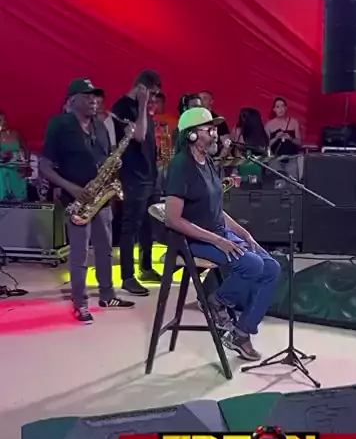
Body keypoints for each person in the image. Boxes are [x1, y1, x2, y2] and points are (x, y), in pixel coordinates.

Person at [163, 106, 281, 361]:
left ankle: (241, 332)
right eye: (209, 129)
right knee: (252, 265)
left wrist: (243, 233)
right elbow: (173, 219)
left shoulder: (209, 163)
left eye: (215, 129)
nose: (216, 134)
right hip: (193, 239)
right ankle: (215, 301)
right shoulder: (181, 166)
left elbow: (216, 210)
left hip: (218, 232)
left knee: (272, 268)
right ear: (192, 135)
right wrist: (218, 240)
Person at [40, 78, 135, 323]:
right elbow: (45, 166)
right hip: (77, 199)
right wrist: (71, 187)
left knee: (105, 251)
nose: (94, 100)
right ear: (72, 100)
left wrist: (113, 166)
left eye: (95, 96)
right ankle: (80, 303)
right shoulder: (60, 125)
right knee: (80, 255)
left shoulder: (100, 126)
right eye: (87, 96)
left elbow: (103, 158)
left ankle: (107, 295)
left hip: (101, 196)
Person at [111, 70, 163, 296]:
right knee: (130, 226)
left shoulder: (145, 110)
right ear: (141, 87)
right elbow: (138, 135)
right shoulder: (122, 107)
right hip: (134, 176)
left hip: (149, 175)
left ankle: (146, 267)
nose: (153, 99)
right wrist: (142, 106)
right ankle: (127, 276)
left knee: (148, 225)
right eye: (152, 93)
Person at [265, 97, 302, 180]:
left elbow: (300, 143)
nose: (280, 109)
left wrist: (290, 138)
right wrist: (276, 137)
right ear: (274, 109)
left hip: (291, 159)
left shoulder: (294, 122)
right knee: (277, 183)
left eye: (282, 106)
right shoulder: (269, 125)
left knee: (293, 183)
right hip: (275, 160)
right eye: (277, 107)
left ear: (286, 108)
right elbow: (265, 145)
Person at [0, 111, 30, 202]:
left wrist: (26, 164)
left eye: (4, 119)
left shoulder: (15, 133)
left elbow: (26, 148)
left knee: (20, 197)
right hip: (3, 168)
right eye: (0, 120)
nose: (3, 122)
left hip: (17, 167)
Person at [199, 90, 231, 157]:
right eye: (199, 99)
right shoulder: (194, 120)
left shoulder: (218, 121)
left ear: (211, 101)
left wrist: (219, 159)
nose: (201, 101)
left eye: (204, 98)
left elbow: (227, 142)